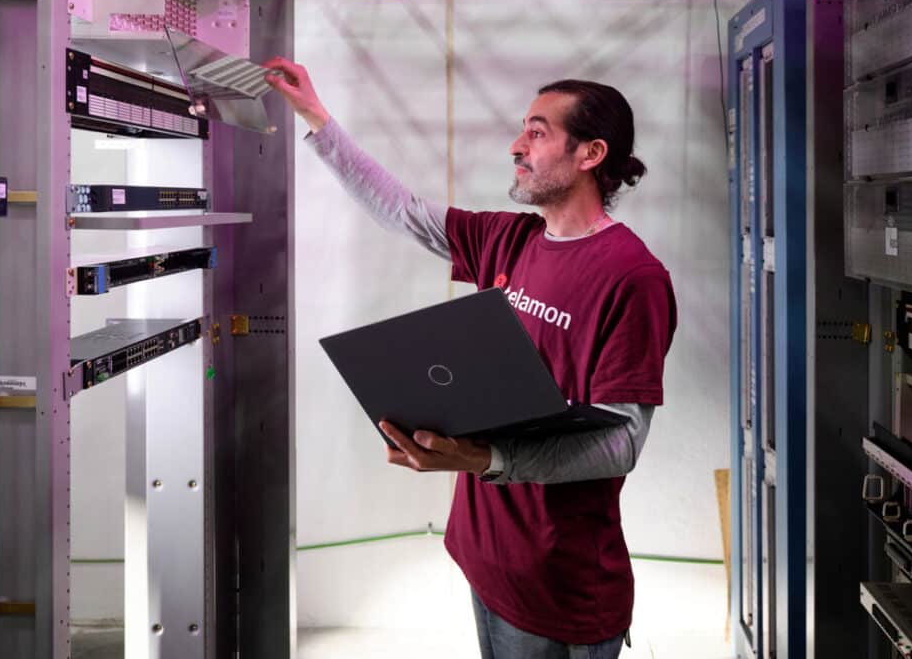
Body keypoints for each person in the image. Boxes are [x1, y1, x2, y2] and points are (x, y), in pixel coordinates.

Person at [264, 57, 677, 659]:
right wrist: (315, 117)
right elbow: (402, 209)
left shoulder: (632, 276)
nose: (517, 145)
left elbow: (622, 443)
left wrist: (487, 459)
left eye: (537, 132)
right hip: (486, 559)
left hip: (559, 588)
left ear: (590, 154)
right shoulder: (509, 239)